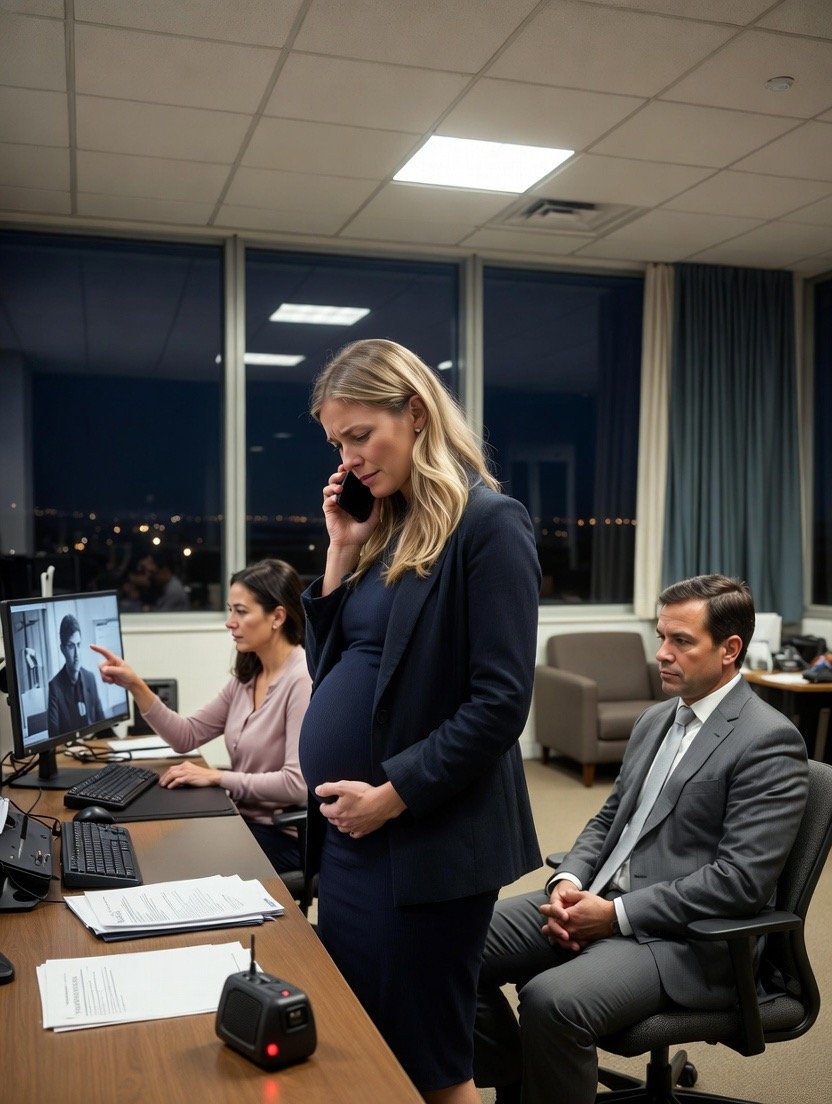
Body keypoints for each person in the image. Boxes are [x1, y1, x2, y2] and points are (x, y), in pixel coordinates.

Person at [298, 338, 542, 1104]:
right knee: (366, 1046)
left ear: (415, 412)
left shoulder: (489, 525)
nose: (349, 459)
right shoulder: (387, 528)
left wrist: (392, 794)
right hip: (354, 839)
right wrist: (341, 553)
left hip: (425, 843)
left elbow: (500, 703)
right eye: (337, 443)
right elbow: (328, 672)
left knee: (432, 1066)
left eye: (360, 435)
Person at [473, 574, 809, 1104]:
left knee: (551, 1001)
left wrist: (614, 916)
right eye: (661, 637)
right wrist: (569, 880)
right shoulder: (656, 719)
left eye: (681, 641)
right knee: (451, 943)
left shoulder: (768, 740)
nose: (662, 654)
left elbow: (739, 883)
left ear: (729, 650)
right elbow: (610, 820)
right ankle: (517, 1085)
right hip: (599, 898)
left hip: (687, 942)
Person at [93, 559, 311, 873]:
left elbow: (295, 784)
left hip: (281, 835)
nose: (229, 622)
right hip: (242, 819)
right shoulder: (249, 676)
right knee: (153, 842)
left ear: (277, 616)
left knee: (171, 860)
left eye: (241, 611)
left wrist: (217, 777)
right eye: (230, 610)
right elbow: (187, 735)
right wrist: (135, 685)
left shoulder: (301, 680)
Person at [47, 613, 105, 738]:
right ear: (63, 649)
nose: (77, 654)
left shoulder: (90, 678)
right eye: (71, 646)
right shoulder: (55, 687)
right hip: (69, 748)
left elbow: (103, 724)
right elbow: (53, 738)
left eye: (78, 645)